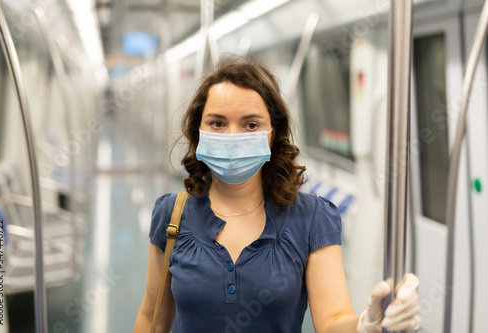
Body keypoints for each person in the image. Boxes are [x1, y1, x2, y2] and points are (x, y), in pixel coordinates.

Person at [133, 56, 420, 333]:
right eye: (217, 123)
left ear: (273, 133)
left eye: (251, 125)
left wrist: (365, 324)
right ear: (199, 131)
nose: (232, 136)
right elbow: (152, 318)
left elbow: (332, 321)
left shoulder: (312, 218)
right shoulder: (171, 215)